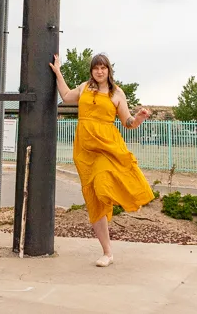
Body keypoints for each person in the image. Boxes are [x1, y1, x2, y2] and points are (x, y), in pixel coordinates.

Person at [49, 51, 155, 267]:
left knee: (102, 181)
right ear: (92, 71)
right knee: (94, 199)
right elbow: (66, 96)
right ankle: (107, 252)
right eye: (96, 68)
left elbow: (128, 122)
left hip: (107, 146)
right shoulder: (84, 88)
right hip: (85, 148)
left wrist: (140, 118)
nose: (99, 71)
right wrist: (58, 72)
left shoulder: (117, 93)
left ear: (108, 71)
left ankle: (123, 197)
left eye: (103, 68)